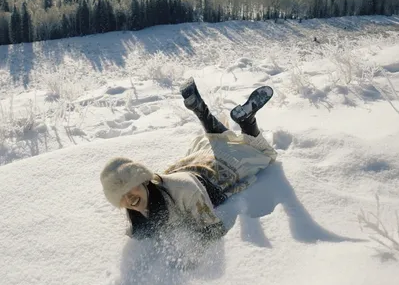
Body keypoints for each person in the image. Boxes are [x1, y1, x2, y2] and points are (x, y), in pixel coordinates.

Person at [100, 80, 276, 243]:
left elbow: (213, 230)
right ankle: (202, 110)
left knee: (264, 154)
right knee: (218, 142)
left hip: (212, 178)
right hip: (189, 167)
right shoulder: (137, 205)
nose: (129, 198)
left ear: (144, 181)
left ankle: (247, 120)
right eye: (122, 196)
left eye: (131, 188)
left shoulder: (185, 190)